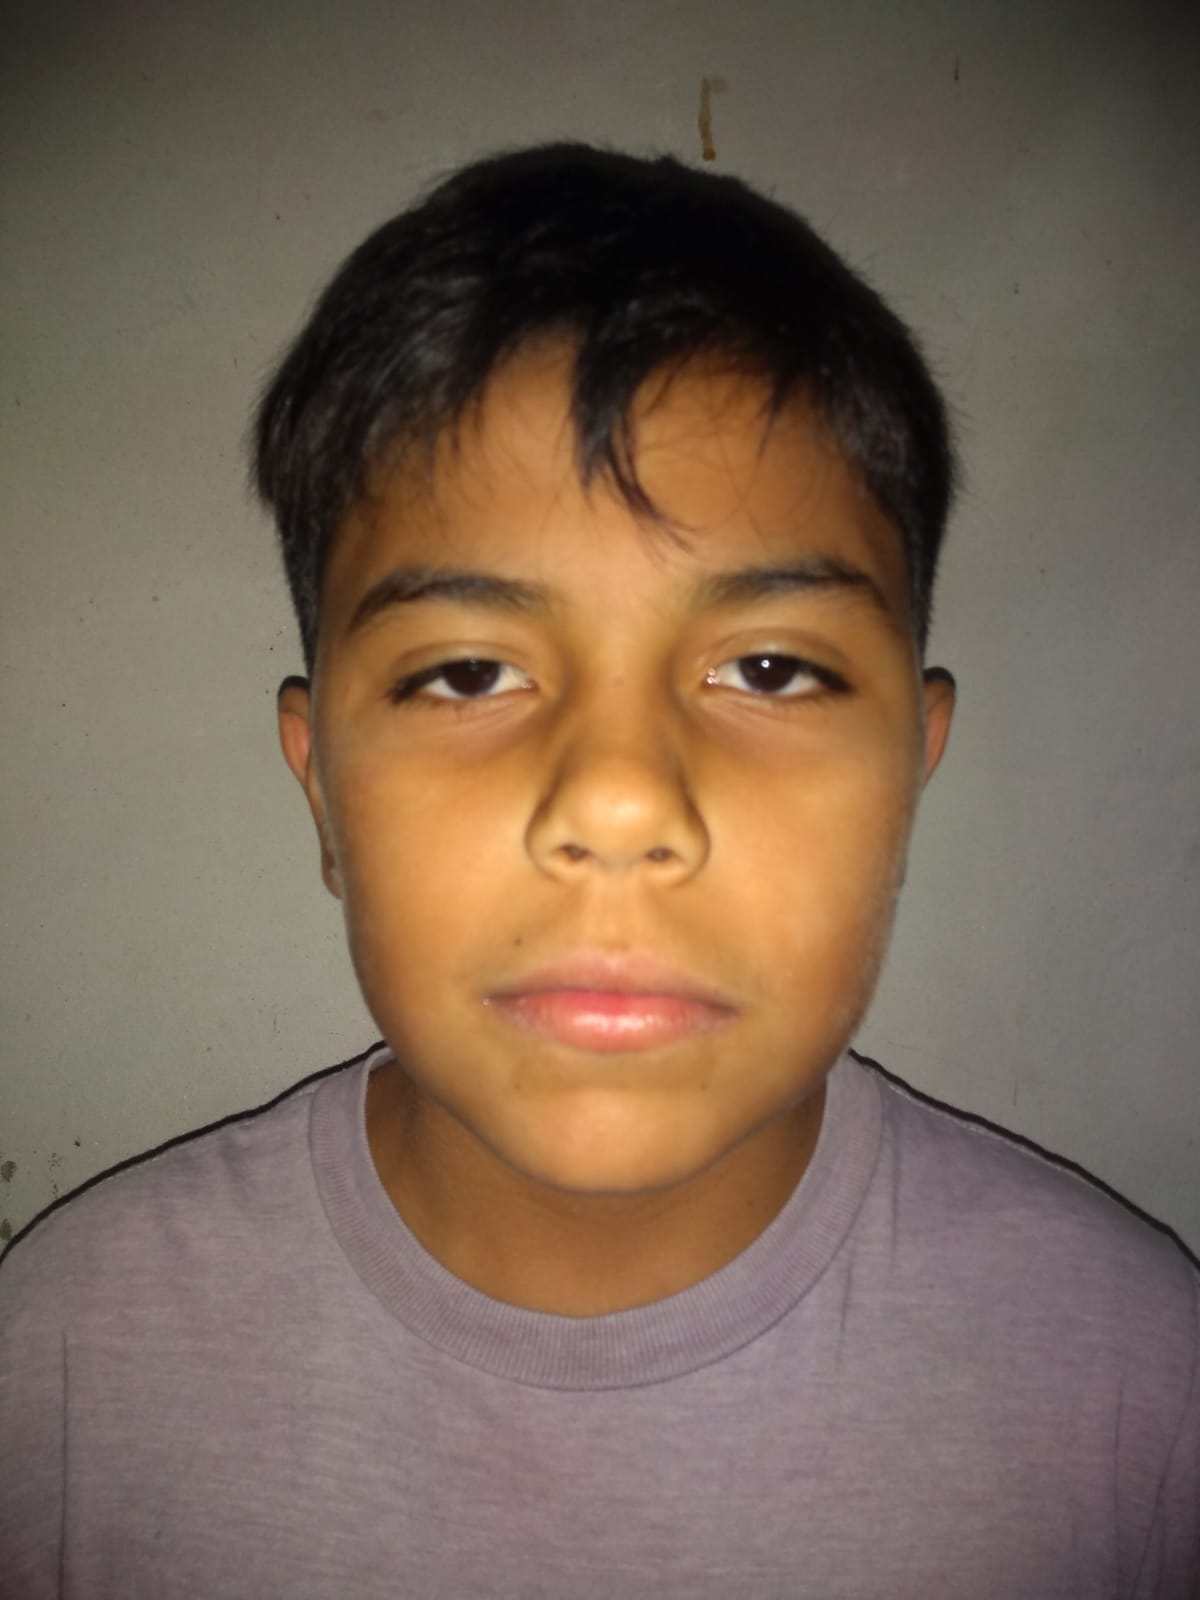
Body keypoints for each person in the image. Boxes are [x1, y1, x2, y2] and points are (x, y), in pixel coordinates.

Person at [1, 143, 1196, 1598]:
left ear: (911, 773)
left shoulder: (1143, 1397)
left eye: (770, 669)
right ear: (321, 793)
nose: (620, 803)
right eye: (466, 673)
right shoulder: (63, 1372)